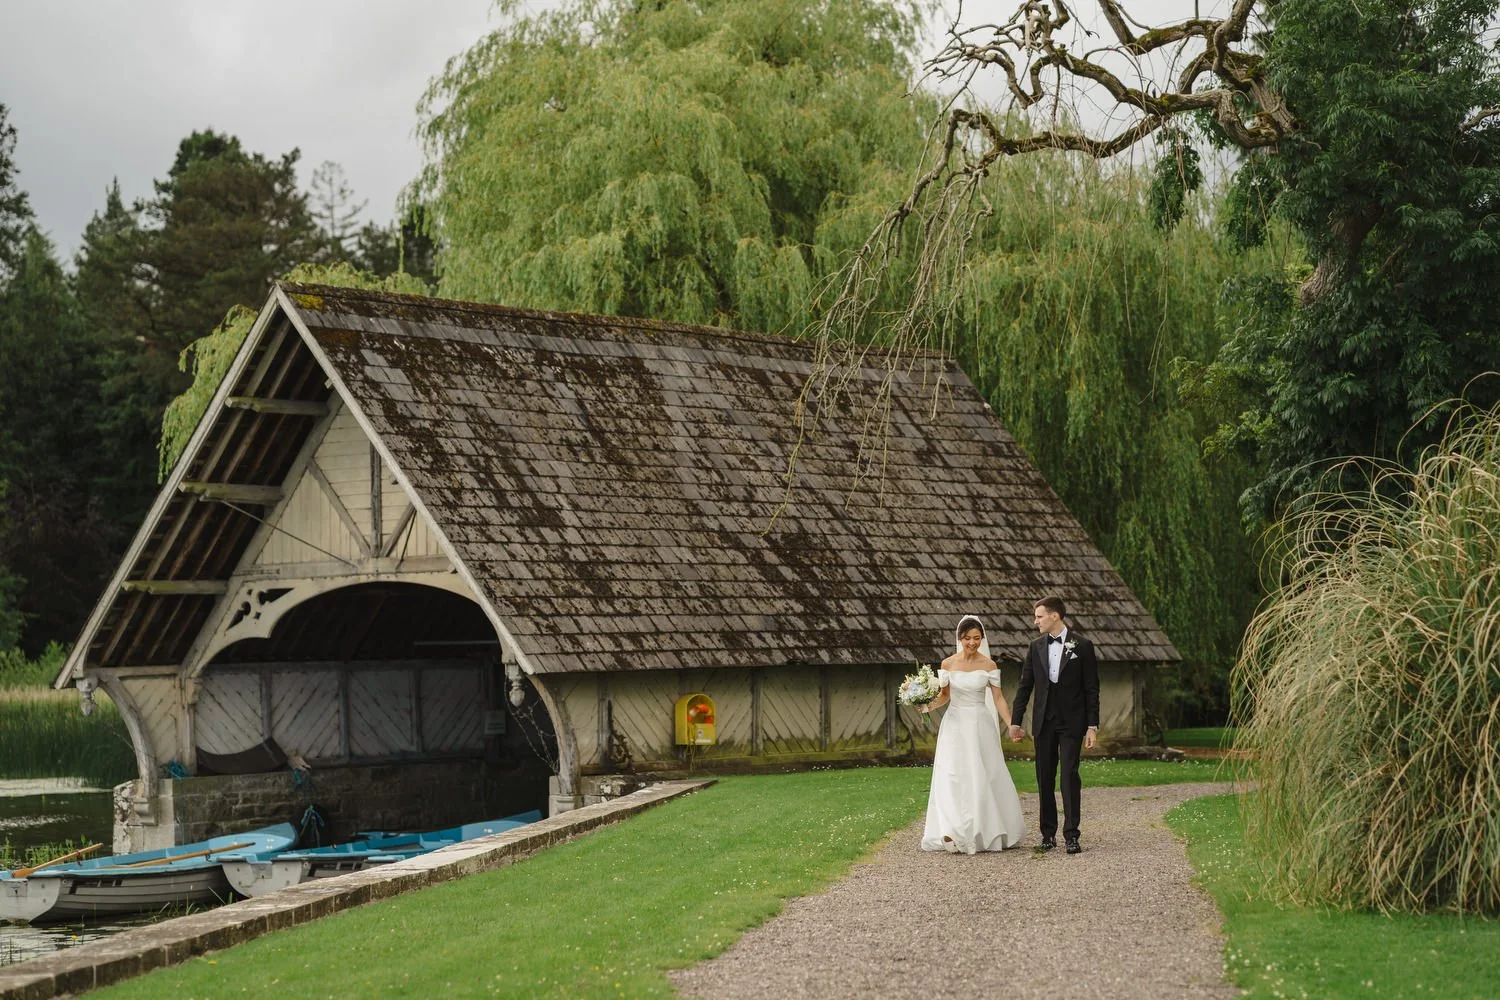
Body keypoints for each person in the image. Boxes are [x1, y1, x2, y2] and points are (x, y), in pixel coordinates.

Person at [918, 614, 1026, 853]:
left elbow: (998, 698)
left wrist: (1011, 724)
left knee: (982, 773)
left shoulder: (989, 666)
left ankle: (984, 830)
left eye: (977, 638)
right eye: (968, 638)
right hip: (955, 724)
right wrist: (926, 705)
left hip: (979, 723)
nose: (972, 643)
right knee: (953, 774)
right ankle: (951, 830)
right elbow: (944, 696)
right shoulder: (947, 665)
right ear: (960, 638)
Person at [1009, 596, 1100, 854]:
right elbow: (1025, 686)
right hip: (1044, 723)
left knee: (1069, 777)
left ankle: (1072, 835)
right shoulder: (1035, 647)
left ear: (1055, 616)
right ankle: (1047, 834)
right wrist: (1016, 721)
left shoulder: (1083, 646)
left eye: (1039, 616)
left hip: (1072, 723)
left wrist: (1092, 726)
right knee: (1044, 778)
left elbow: (1092, 689)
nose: (1035, 621)